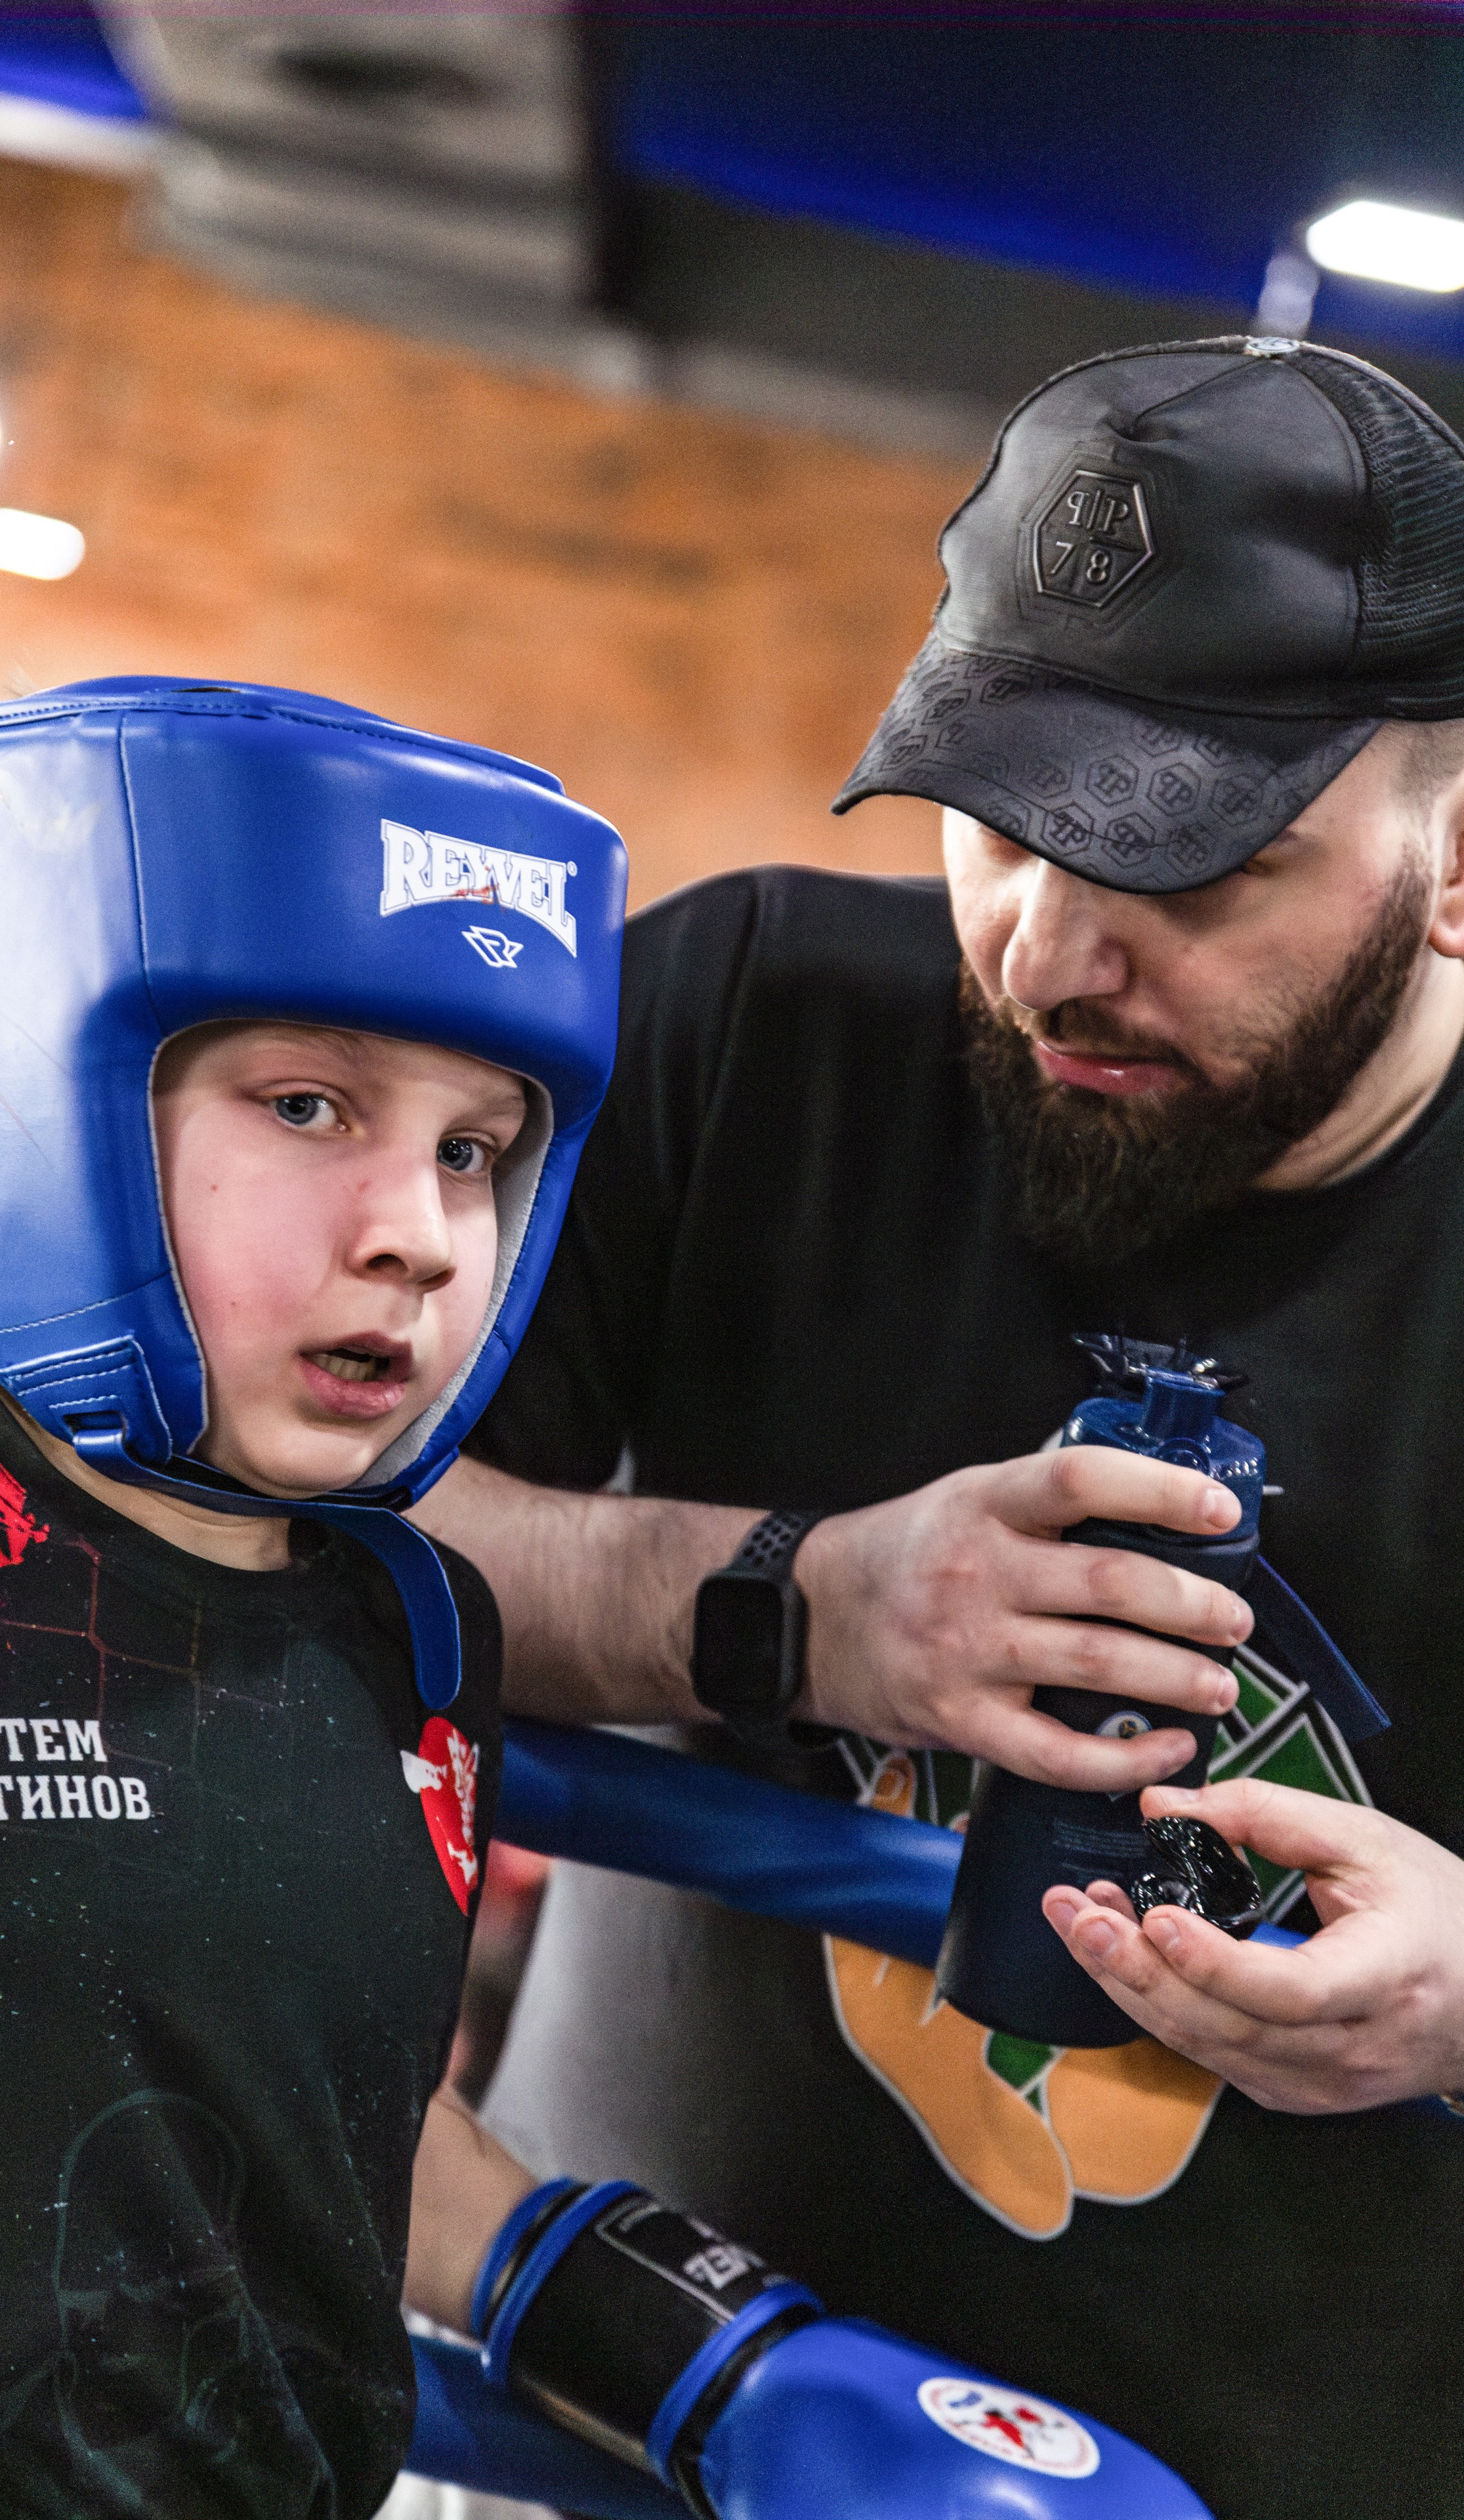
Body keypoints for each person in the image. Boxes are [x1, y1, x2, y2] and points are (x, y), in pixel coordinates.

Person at [0, 675, 1203, 2520]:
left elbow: (303, 2127)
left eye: (474, 1148)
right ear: (14, 1070)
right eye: (309, 1106)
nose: (422, 1231)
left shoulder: (411, 1640)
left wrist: (722, 2355)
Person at [412, 337, 1464, 2520]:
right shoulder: (741, 1026)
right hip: (607, 2432)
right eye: (1001, 816)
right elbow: (272, 1558)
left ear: (1454, 857)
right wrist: (790, 1609)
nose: (1049, 951)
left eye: (1192, 861)